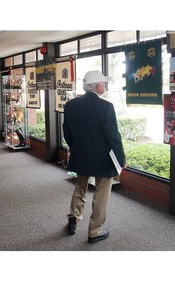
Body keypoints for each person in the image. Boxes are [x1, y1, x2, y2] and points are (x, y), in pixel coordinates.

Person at [63, 70, 126, 244]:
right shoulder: (106, 107)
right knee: (101, 195)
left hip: (81, 155)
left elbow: (67, 134)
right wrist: (120, 160)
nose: (105, 86)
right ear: (98, 86)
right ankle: (94, 231)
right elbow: (113, 137)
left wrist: (75, 149)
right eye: (104, 83)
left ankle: (73, 218)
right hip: (103, 159)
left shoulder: (70, 106)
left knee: (80, 187)